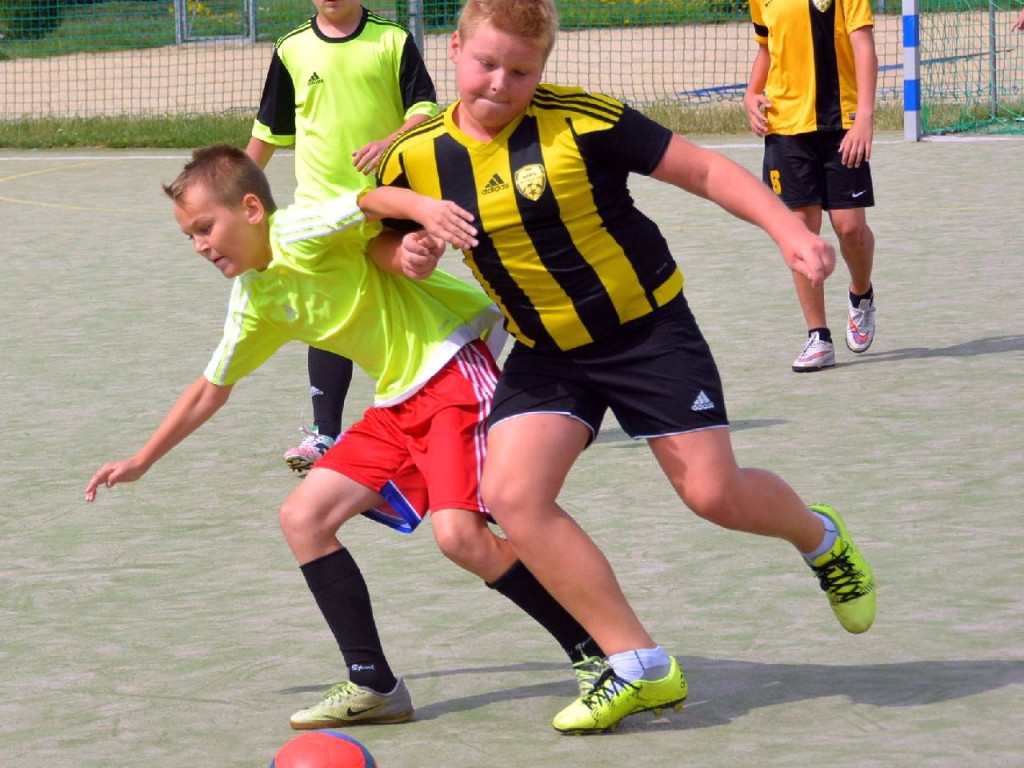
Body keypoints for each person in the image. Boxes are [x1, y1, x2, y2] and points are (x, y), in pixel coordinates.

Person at [367, 0, 877, 735]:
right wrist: (407, 253)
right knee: (511, 496)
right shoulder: (415, 156)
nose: (499, 84)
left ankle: (819, 538)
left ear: (543, 70)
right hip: (545, 353)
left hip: (647, 333)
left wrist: (782, 231)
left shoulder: (582, 119)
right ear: (453, 49)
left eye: (521, 70)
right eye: (486, 63)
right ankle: (639, 665)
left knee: (713, 495)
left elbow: (701, 170)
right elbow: (381, 237)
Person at [84, 145, 607, 730]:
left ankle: (595, 654)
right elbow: (212, 386)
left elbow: (369, 201)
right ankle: (373, 683)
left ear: (252, 208)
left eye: (207, 227)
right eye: (191, 237)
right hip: (394, 403)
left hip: (451, 373)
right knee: (303, 518)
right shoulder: (255, 299)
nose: (202, 245)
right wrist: (142, 459)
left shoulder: (300, 230)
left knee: (460, 537)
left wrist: (426, 212)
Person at [246, 0, 440, 471]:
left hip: (389, 202)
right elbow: (270, 131)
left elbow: (426, 111)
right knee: (329, 315)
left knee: (403, 312)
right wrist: (230, 192)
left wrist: (390, 141)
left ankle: (431, 423)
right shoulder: (291, 49)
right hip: (322, 213)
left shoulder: (392, 40)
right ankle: (324, 434)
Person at [743, 0, 879, 372]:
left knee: (850, 228)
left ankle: (861, 294)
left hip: (841, 124)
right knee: (801, 232)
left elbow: (863, 45)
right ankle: (818, 336)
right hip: (785, 127)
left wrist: (864, 117)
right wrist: (750, 93)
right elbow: (766, 49)